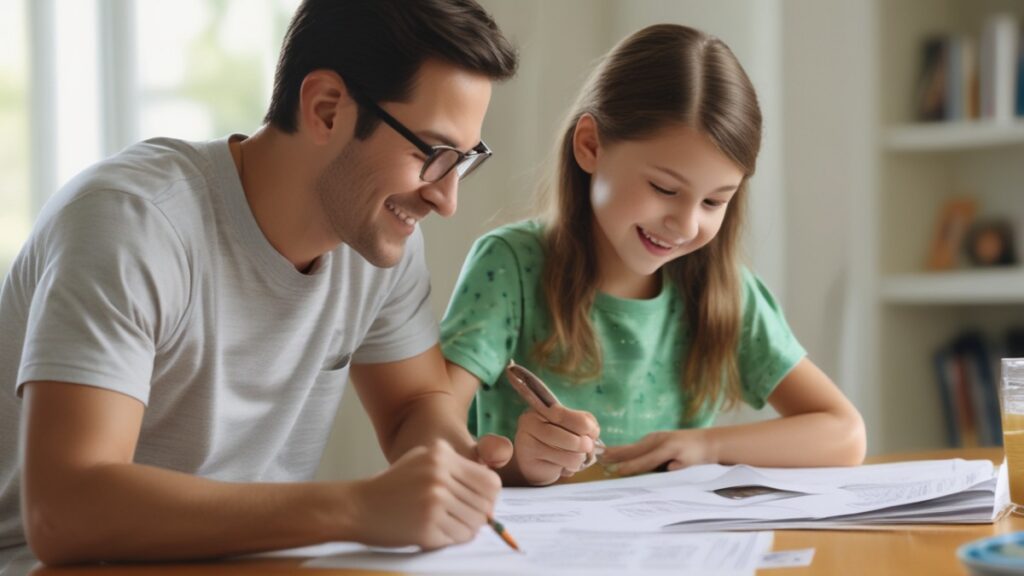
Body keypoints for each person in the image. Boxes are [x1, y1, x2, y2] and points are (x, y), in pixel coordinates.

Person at [0, 0, 519, 567]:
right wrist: (354, 507)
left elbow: (412, 406)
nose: (446, 200)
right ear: (325, 109)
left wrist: (460, 473)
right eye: (432, 153)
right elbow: (64, 513)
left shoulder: (375, 240)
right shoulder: (133, 223)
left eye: (464, 160)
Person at [440, 24, 866, 487]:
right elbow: (429, 437)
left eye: (714, 202)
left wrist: (708, 447)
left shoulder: (723, 290)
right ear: (590, 146)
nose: (685, 225)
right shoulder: (510, 265)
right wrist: (522, 467)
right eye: (664, 188)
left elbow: (845, 434)